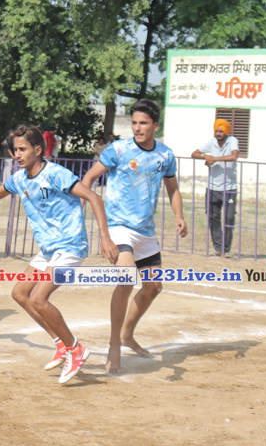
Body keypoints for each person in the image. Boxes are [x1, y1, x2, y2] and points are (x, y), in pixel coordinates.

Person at [0, 125, 118, 382]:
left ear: (38, 150)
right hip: (49, 249)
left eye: (23, 149)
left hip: (70, 245)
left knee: (38, 298)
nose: (17, 154)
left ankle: (76, 349)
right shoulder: (19, 179)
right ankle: (62, 343)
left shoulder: (56, 174)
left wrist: (105, 237)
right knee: (20, 294)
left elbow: (94, 197)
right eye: (15, 150)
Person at [80, 99, 187, 375]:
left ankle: (127, 334)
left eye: (143, 123)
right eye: (134, 123)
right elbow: (88, 179)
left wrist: (178, 215)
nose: (137, 128)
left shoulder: (165, 155)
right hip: (119, 226)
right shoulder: (118, 149)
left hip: (146, 231)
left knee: (153, 287)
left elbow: (173, 189)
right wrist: (85, 217)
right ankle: (114, 345)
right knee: (126, 279)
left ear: (155, 126)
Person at [190, 119, 239, 257]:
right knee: (213, 217)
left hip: (229, 187)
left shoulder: (232, 140)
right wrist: (205, 156)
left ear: (227, 132)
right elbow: (194, 153)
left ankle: (226, 248)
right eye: (216, 131)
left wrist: (214, 159)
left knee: (229, 218)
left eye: (221, 131)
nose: (218, 134)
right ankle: (218, 248)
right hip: (212, 187)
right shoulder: (212, 142)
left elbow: (234, 156)